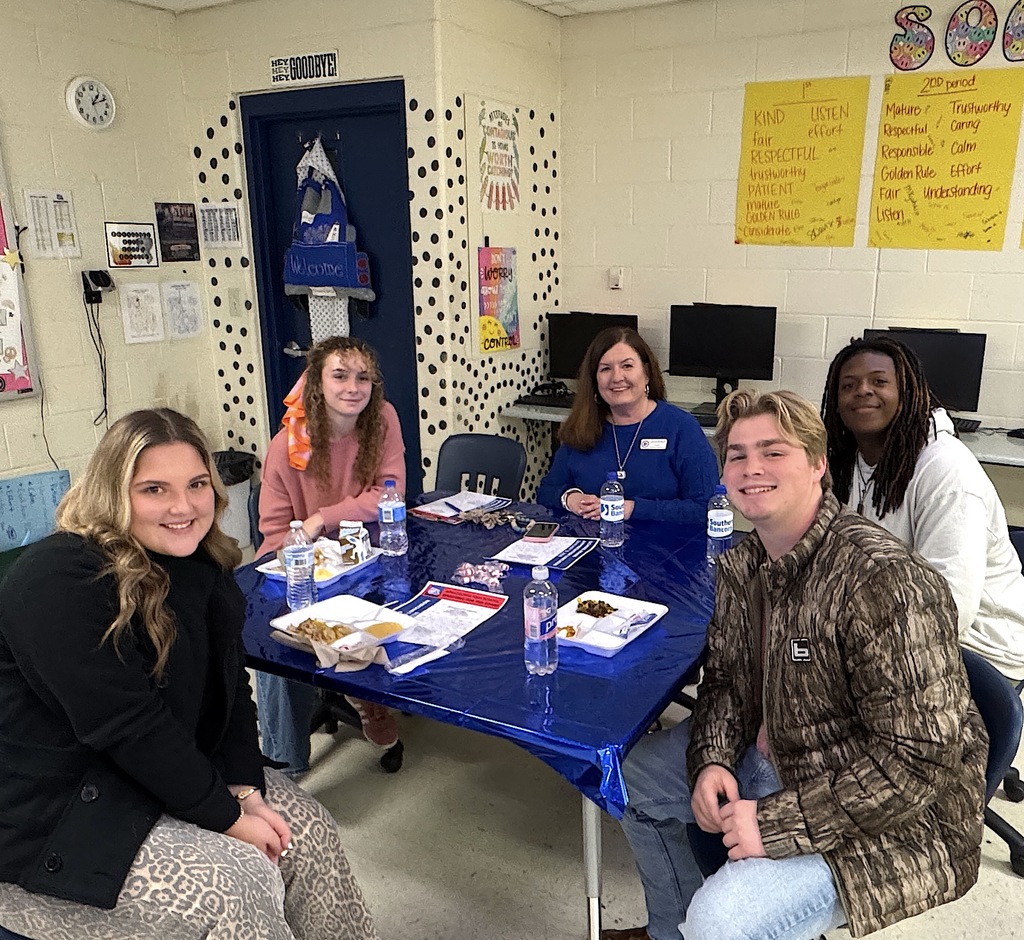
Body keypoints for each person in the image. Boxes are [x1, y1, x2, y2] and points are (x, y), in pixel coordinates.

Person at [604, 389, 986, 940]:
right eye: (736, 454)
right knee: (627, 779)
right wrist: (710, 760)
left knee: (723, 921)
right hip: (776, 755)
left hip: (893, 817)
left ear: (818, 465)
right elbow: (729, 682)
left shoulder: (883, 580)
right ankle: (671, 930)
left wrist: (774, 826)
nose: (751, 467)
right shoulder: (742, 565)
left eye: (773, 451)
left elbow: (921, 762)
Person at [0, 409, 378, 940]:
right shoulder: (57, 578)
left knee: (308, 831)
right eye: (155, 489)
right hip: (55, 816)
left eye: (197, 484)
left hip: (151, 772)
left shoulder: (201, 564)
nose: (183, 507)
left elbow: (231, 692)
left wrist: (245, 789)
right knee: (238, 883)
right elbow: (127, 726)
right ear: (113, 492)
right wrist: (228, 819)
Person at [823, 336, 1024, 682]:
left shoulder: (946, 470)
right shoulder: (850, 462)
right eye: (848, 385)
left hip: (978, 646)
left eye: (880, 382)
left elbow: (952, 606)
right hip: (887, 624)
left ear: (909, 394)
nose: (863, 391)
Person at [256, 335, 407, 776]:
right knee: (272, 650)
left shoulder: (382, 419)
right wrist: (306, 549)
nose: (353, 387)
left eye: (363, 377)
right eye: (339, 375)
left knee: (394, 611)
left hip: (373, 556)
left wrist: (324, 516)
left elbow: (390, 494)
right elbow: (273, 535)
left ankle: (367, 694)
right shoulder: (285, 447)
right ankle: (285, 766)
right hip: (307, 571)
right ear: (316, 384)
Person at [536, 327, 718, 524]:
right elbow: (546, 492)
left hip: (665, 549)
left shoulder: (681, 428)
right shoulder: (581, 426)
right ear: (595, 380)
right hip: (592, 545)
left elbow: (705, 508)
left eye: (627, 366)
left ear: (646, 373)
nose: (616, 377)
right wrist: (571, 498)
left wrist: (632, 508)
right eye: (605, 368)